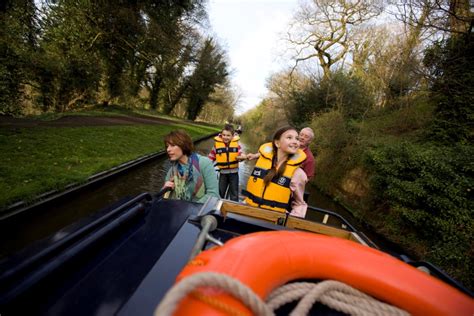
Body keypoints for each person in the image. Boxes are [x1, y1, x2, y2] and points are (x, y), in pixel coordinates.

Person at [242, 126, 308, 218]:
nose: (295, 141)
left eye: (297, 139)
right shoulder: (262, 160)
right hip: (247, 213)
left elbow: (299, 204)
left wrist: (289, 223)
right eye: (289, 137)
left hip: (272, 222)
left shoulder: (299, 174)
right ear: (277, 143)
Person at [162, 130, 219, 203]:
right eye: (167, 146)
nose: (168, 149)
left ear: (183, 145)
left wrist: (190, 208)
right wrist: (164, 189)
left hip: (200, 211)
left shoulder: (204, 163)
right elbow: (164, 198)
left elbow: (213, 195)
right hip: (178, 210)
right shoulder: (172, 170)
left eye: (172, 145)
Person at [208, 124, 247, 201]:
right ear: (221, 135)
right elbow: (211, 157)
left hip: (234, 174)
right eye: (224, 135)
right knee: (220, 192)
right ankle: (218, 207)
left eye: (228, 135)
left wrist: (243, 156)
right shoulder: (217, 145)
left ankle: (233, 207)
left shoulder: (236, 145)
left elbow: (240, 153)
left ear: (232, 136)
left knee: (234, 192)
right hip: (223, 173)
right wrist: (205, 165)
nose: (225, 137)